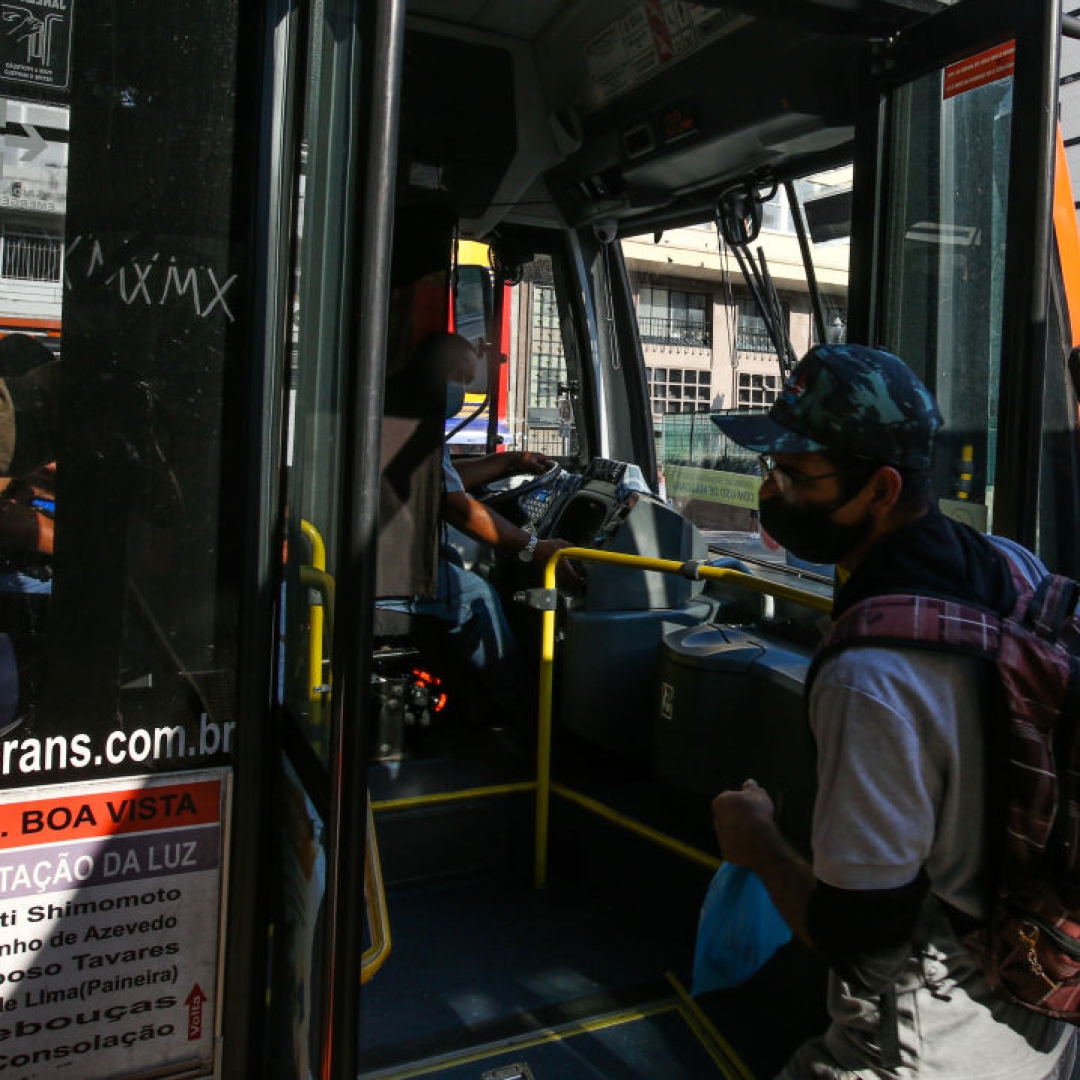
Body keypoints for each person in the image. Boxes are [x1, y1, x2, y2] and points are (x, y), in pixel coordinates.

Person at [709, 343, 1077, 1079]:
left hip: (929, 1043)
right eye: (770, 469)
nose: (772, 492)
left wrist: (758, 845)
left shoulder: (871, 678)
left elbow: (863, 946)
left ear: (880, 490)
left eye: (795, 475)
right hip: (1048, 1000)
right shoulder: (1010, 565)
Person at [382, 331, 576, 726]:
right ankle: (526, 718)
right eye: (458, 376)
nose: (463, 388)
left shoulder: (397, 404)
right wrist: (534, 546)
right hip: (378, 567)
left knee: (451, 559)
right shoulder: (412, 415)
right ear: (437, 370)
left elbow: (444, 480)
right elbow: (455, 506)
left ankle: (465, 697)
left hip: (381, 551)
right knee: (476, 595)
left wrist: (508, 463)